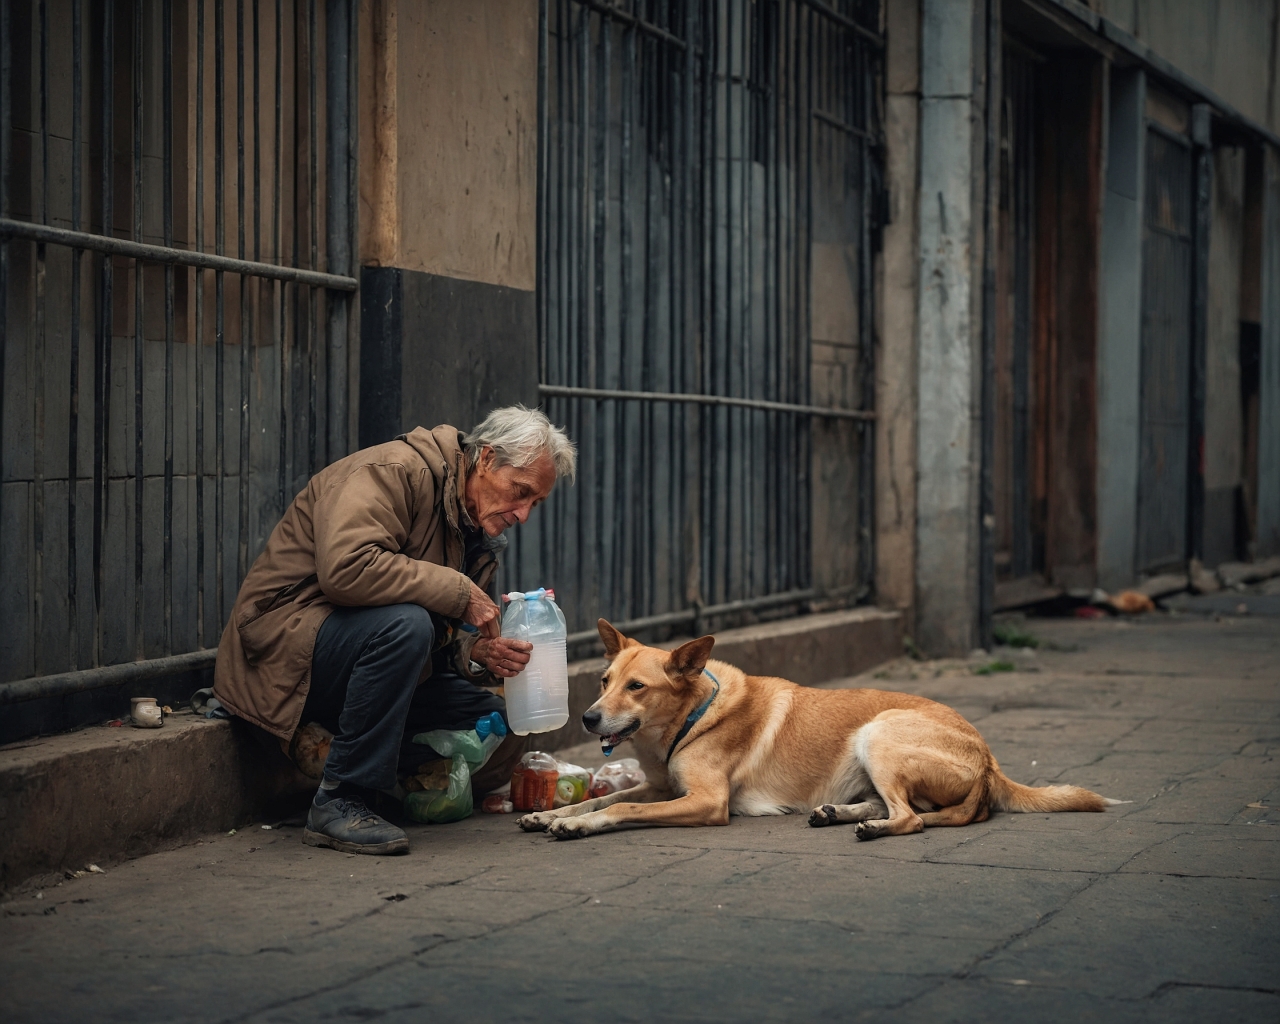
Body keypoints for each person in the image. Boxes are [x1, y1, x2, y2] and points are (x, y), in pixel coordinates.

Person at [213, 406, 576, 855]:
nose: (523, 514)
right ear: (485, 459)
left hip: (377, 663)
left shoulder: (477, 531)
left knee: (499, 725)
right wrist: (458, 590)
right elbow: (346, 569)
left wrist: (478, 655)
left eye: (535, 503)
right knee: (406, 625)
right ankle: (343, 798)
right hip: (282, 649)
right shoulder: (392, 471)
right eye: (520, 492)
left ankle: (376, 773)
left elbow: (442, 637)